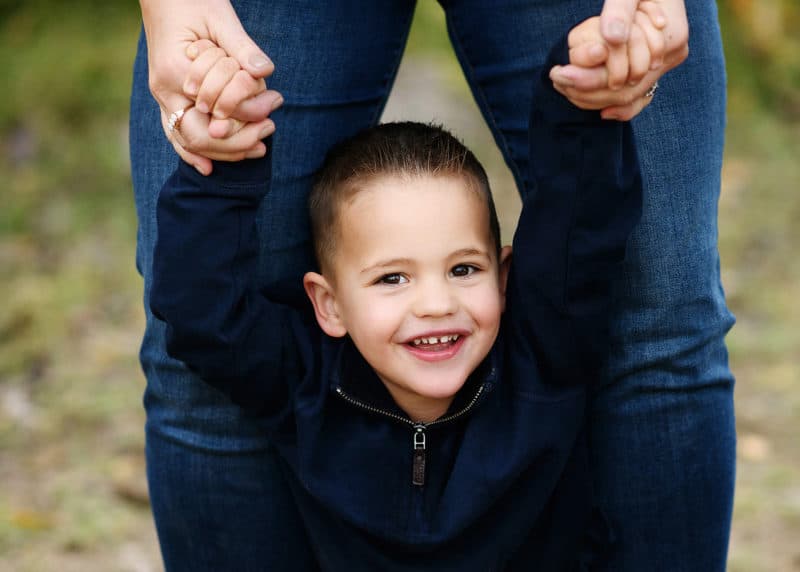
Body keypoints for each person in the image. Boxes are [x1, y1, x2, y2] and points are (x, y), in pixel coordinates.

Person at [130, 1, 736, 570]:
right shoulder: (302, 385)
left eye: (464, 269)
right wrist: (225, 169)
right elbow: (203, 314)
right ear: (328, 304)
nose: (436, 304)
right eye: (392, 278)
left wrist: (583, 90)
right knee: (195, 387)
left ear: (506, 275)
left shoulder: (543, 357)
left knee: (661, 321)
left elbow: (580, 222)